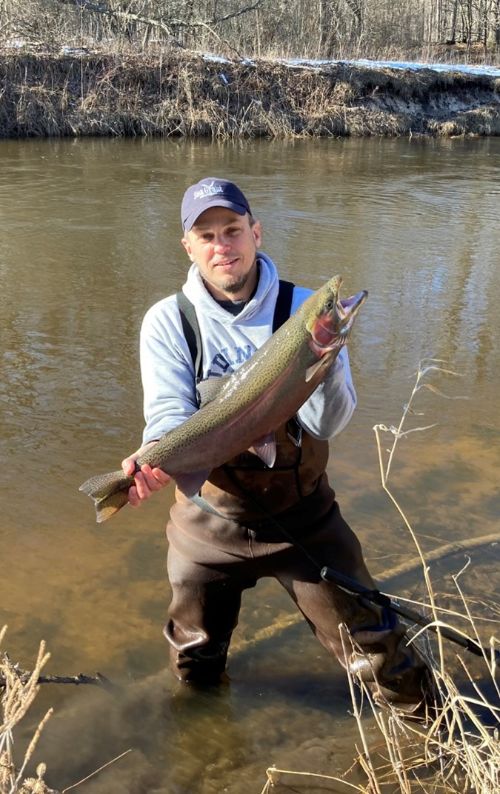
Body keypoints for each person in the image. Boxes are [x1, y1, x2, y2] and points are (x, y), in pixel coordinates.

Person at [121, 177, 433, 714]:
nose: (223, 245)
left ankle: (435, 730)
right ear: (189, 247)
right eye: (208, 235)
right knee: (195, 660)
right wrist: (155, 458)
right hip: (208, 520)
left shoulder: (306, 309)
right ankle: (205, 748)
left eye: (233, 230)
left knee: (377, 646)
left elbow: (329, 424)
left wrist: (325, 363)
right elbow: (170, 415)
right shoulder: (167, 321)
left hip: (305, 516)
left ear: (256, 233)